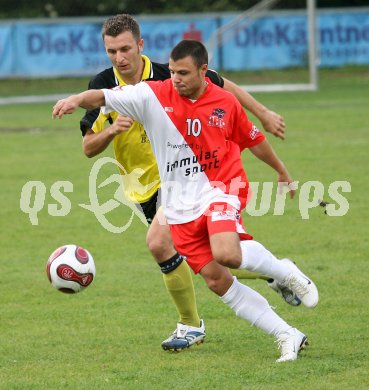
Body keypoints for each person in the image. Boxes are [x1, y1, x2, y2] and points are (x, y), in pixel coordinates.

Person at [52, 39, 319, 362]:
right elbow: (101, 97)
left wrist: (281, 169)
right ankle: (286, 333)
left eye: (183, 73)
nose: (175, 78)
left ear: (203, 71)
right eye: (173, 71)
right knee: (216, 279)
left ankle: (283, 272)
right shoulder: (152, 94)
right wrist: (74, 99)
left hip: (221, 187)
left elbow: (252, 139)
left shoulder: (224, 102)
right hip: (178, 205)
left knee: (226, 253)